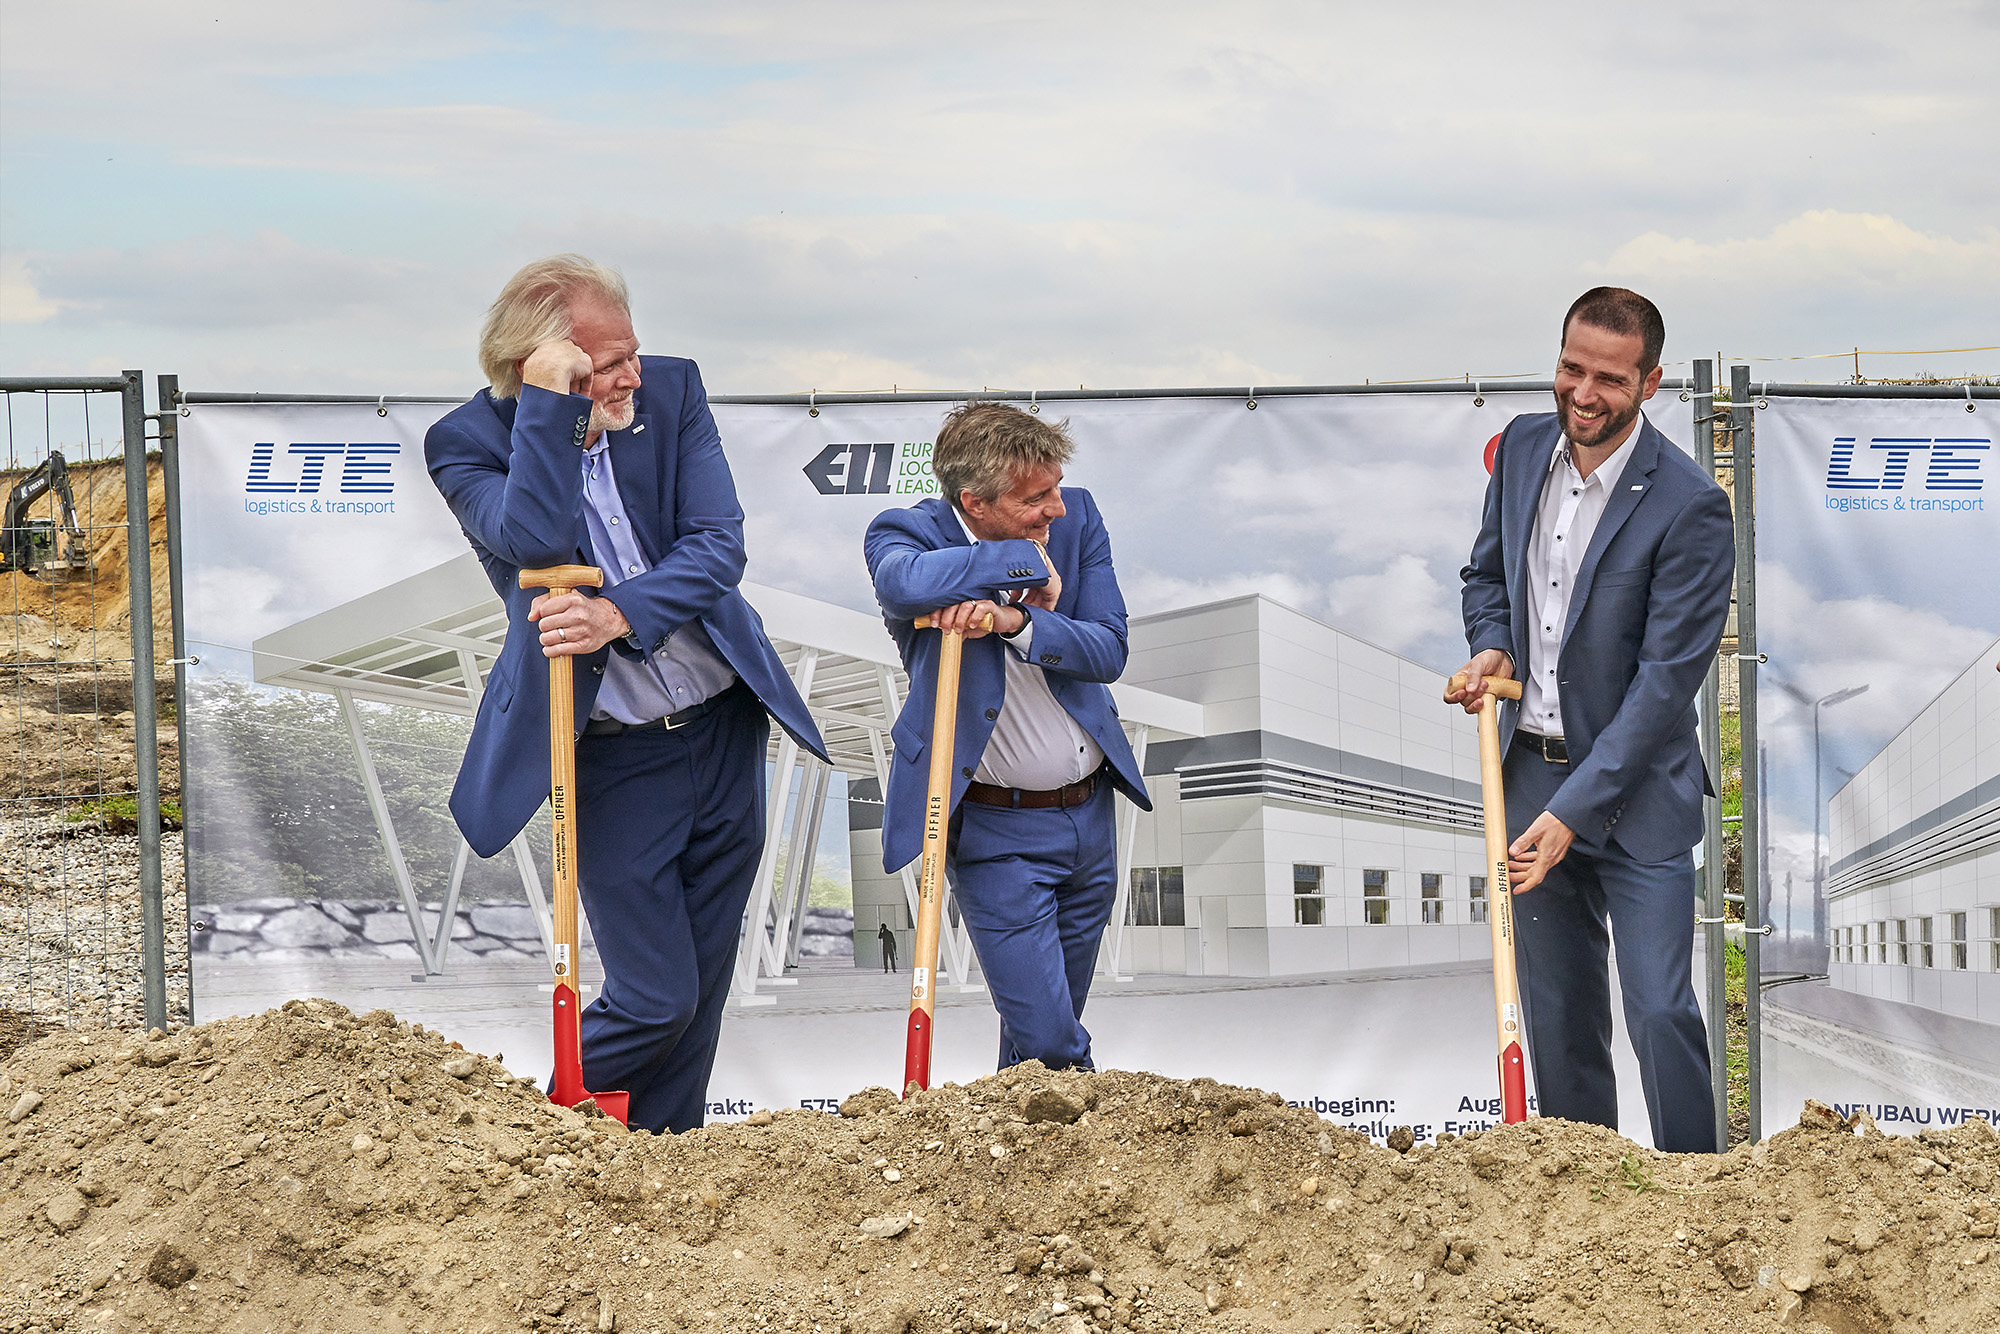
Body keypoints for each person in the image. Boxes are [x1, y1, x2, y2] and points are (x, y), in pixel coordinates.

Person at [425, 254, 827, 1134]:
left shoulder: (674, 394)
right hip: (612, 753)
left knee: (701, 998)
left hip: (724, 727)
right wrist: (555, 412)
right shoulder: (465, 443)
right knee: (655, 997)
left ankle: (662, 1164)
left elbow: (718, 548)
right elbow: (532, 539)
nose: (631, 375)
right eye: (605, 364)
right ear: (538, 366)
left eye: (631, 352)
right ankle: (522, 1142)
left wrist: (616, 615)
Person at [1446, 286, 1735, 1154]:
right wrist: (1493, 647)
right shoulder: (1526, 449)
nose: (1583, 392)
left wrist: (1573, 815)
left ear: (1649, 385)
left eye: (1608, 378)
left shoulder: (1689, 505)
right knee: (1560, 1016)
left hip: (1637, 795)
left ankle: (1701, 1194)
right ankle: (1587, 1208)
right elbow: (1486, 577)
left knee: (1658, 1011)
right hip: (1529, 773)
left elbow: (1663, 688)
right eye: (1571, 368)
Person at [865, 403, 1150, 1073]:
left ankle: (1025, 1165)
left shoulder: (1078, 517)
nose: (1055, 509)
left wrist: (1009, 623)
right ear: (974, 502)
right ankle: (1099, 1135)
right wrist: (1023, 567)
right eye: (1034, 499)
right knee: (1054, 1044)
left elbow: (1107, 650)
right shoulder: (905, 530)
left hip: (1089, 819)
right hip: (996, 833)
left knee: (1033, 1047)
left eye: (1055, 487)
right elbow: (903, 583)